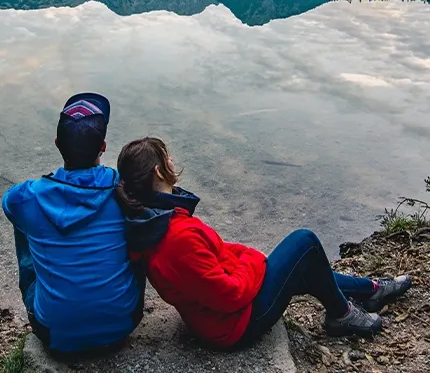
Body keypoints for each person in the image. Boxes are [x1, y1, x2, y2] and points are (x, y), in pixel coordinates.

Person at [115, 137, 412, 349]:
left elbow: (218, 253)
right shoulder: (176, 237)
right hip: (234, 326)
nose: (171, 161)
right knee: (304, 243)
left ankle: (372, 289)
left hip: (217, 313)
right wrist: (255, 262)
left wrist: (247, 260)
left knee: (302, 266)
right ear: (158, 172)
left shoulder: (153, 222)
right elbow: (230, 295)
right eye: (167, 157)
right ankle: (342, 315)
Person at [1, 93, 144, 354]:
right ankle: (109, 298)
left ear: (57, 143)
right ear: (103, 147)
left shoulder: (25, 197)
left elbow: (8, 205)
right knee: (135, 224)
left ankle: (60, 301)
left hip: (53, 332)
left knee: (25, 224)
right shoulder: (123, 189)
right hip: (122, 325)